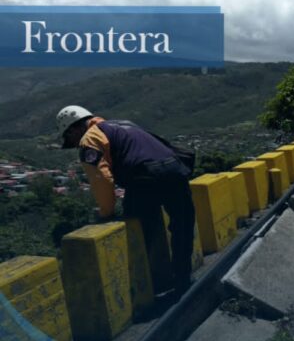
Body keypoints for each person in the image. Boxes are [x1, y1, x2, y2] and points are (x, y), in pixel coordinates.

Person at [56, 105, 196, 302]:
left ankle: (141, 290)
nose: (73, 143)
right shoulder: (123, 124)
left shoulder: (89, 139)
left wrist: (106, 212)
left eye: (70, 138)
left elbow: (102, 179)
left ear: (73, 129)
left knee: (138, 234)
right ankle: (182, 279)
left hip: (144, 179)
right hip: (175, 170)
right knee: (182, 226)